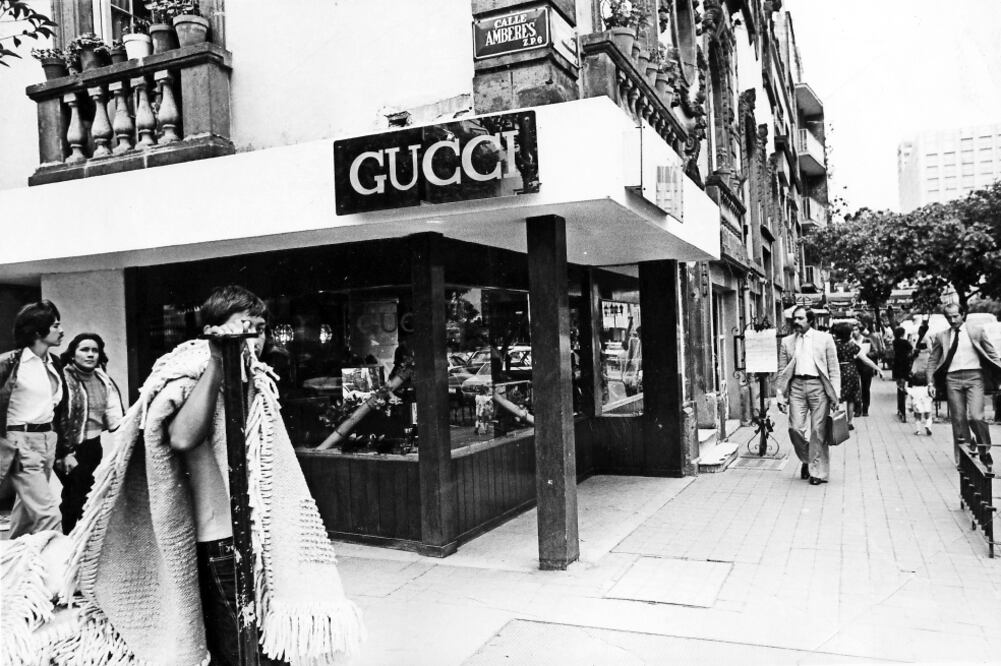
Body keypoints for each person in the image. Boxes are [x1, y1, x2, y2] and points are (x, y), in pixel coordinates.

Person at [62, 285, 363, 665]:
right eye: (243, 325)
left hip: (252, 535)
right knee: (238, 647)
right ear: (213, 331)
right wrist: (219, 364)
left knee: (261, 644)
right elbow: (182, 436)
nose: (254, 336)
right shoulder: (190, 377)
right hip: (218, 536)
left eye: (260, 327)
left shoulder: (252, 383)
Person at [0, 300, 67, 539]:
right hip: (20, 441)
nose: (61, 330)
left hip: (47, 439)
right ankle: (55, 569)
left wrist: (63, 449)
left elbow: (57, 409)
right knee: (48, 514)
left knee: (27, 513)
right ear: (38, 331)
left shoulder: (54, 363)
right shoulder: (9, 363)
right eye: (56, 325)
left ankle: (9, 566)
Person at [55, 333, 124, 533]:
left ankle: (79, 538)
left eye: (95, 350)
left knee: (84, 494)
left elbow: (114, 413)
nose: (90, 354)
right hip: (68, 447)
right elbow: (56, 415)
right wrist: (63, 451)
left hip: (93, 447)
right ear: (73, 353)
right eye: (84, 350)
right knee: (76, 494)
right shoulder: (62, 378)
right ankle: (70, 538)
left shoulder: (103, 379)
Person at [927, 304, 1001, 466]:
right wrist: (930, 382)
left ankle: (984, 449)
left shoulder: (976, 331)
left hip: (975, 377)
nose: (953, 320)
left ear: (963, 314)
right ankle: (965, 455)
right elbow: (933, 360)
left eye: (956, 316)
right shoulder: (941, 336)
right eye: (949, 317)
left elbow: (992, 355)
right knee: (959, 420)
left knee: (976, 417)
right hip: (952, 379)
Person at [776, 306, 841, 485]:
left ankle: (817, 472)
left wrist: (836, 395)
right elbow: (782, 370)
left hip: (818, 387)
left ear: (810, 320)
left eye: (800, 319)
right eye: (794, 318)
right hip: (796, 387)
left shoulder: (825, 339)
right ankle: (808, 459)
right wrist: (780, 395)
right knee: (794, 428)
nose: (796, 322)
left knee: (817, 431)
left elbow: (834, 369)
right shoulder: (787, 342)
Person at [831, 322, 881, 430]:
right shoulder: (852, 346)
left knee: (838, 397)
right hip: (851, 372)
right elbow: (865, 359)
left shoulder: (833, 345)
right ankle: (850, 422)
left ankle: (839, 421)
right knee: (851, 398)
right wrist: (877, 368)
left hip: (837, 372)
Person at [891, 326, 914, 423]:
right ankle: (903, 407)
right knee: (904, 384)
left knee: (899, 385)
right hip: (904, 364)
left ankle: (900, 408)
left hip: (897, 364)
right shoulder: (905, 342)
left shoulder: (894, 342)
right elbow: (911, 349)